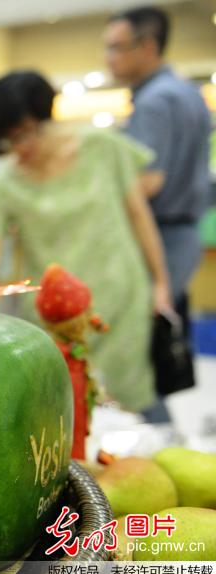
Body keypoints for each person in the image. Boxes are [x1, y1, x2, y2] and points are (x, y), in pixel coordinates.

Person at [0, 71, 172, 413]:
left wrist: (162, 284)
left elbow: (139, 215)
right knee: (64, 411)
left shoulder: (102, 147)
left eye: (24, 134)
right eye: (7, 141)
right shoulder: (4, 181)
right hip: (54, 318)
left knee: (129, 408)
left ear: (47, 116)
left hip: (120, 301)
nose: (19, 149)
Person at [105, 6, 210, 402]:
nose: (108, 58)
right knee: (158, 344)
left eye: (116, 48)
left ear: (147, 46)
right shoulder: (189, 92)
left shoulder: (154, 101)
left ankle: (146, 445)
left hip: (157, 237)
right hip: (183, 235)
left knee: (138, 359)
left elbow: (147, 182)